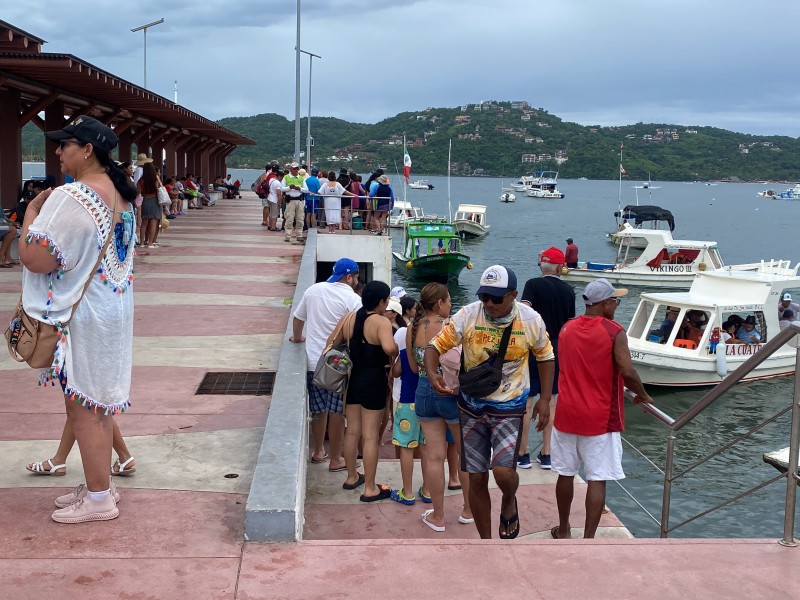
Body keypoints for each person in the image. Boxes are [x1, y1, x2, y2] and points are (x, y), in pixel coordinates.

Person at [20, 115, 137, 523]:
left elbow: (35, 257)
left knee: (84, 410)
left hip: (81, 320)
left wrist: (31, 214)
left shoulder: (74, 197)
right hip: (112, 313)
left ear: (87, 150)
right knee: (98, 406)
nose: (57, 151)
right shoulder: (121, 196)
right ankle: (98, 485)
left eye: (64, 144)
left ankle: (99, 499)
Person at [424, 265, 555, 539]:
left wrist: (544, 400)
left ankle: (509, 498)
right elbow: (435, 346)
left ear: (513, 295)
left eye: (497, 298)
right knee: (477, 475)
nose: (489, 304)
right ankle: (486, 543)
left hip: (509, 406)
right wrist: (433, 373)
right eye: (485, 297)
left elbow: (545, 357)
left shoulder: (530, 320)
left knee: (503, 471)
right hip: (471, 406)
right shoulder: (468, 315)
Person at [551, 278, 653, 539]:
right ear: (606, 303)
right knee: (597, 478)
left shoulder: (567, 328)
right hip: (598, 416)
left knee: (565, 473)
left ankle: (563, 529)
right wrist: (642, 394)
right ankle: (588, 540)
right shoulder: (614, 331)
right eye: (615, 301)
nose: (616, 305)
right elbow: (627, 370)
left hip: (566, 412)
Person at [410, 283, 472, 532]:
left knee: (434, 456)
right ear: (439, 304)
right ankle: (468, 510)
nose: (450, 305)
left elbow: (415, 369)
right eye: (448, 301)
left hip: (425, 390)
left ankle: (438, 516)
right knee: (464, 456)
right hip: (450, 391)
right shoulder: (449, 327)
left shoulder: (411, 329)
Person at [290, 258, 362, 472]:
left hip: (314, 361)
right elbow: (357, 332)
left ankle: (319, 451)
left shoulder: (313, 290)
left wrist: (297, 338)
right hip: (338, 365)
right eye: (356, 277)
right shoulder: (353, 299)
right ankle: (335, 459)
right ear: (349, 277)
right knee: (337, 412)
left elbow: (298, 318)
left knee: (318, 409)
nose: (357, 280)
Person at [334, 281, 399, 502]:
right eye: (387, 300)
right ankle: (370, 487)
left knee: (352, 431)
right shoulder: (380, 321)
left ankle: (352, 477)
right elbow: (390, 348)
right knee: (370, 435)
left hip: (353, 380)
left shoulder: (350, 317)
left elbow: (331, 342)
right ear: (381, 301)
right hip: (374, 381)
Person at [518, 246, 576, 470]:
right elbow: (569, 324)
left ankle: (522, 453)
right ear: (561, 267)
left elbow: (523, 311)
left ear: (542, 265)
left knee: (527, 398)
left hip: (534, 345)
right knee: (551, 401)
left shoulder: (532, 285)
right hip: (557, 349)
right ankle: (547, 453)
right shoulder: (569, 291)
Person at [137, 161, 160, 248]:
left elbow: (138, 192)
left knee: (144, 223)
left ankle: (142, 243)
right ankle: (150, 243)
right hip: (154, 200)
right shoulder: (155, 179)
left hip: (145, 200)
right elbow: (158, 189)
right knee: (153, 223)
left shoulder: (141, 180)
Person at [281, 162, 306, 243]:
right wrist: (289, 187)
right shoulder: (286, 177)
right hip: (290, 200)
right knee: (289, 218)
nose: (295, 170)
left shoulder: (301, 178)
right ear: (290, 169)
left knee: (300, 219)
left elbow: (306, 189)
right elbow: (281, 188)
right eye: (293, 168)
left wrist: (300, 188)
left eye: (296, 168)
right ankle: (288, 235)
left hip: (299, 200)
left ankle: (299, 235)